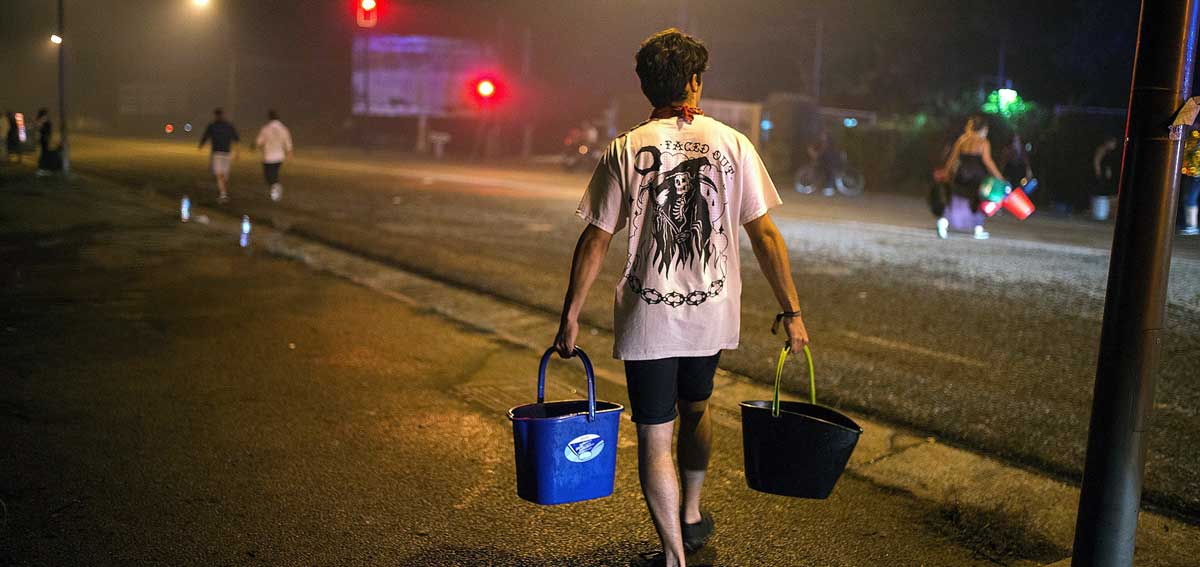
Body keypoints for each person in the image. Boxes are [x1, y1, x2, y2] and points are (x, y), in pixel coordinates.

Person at [552, 28, 810, 567]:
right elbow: (764, 235)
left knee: (655, 433)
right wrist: (792, 313)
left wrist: (570, 317)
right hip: (711, 316)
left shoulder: (624, 148)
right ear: (694, 82)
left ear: (647, 85)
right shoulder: (731, 142)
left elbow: (596, 237)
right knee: (697, 406)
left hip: (649, 319)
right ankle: (691, 513)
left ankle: (674, 554)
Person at [938, 115, 1006, 239]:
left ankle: (943, 223)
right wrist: (999, 177)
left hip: (961, 175)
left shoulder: (962, 139)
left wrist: (946, 173)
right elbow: (988, 161)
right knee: (978, 201)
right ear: (983, 129)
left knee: (954, 199)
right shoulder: (983, 142)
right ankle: (978, 229)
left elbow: (952, 158)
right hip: (977, 176)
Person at [198, 107, 240, 204]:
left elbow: (205, 136)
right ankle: (223, 193)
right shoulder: (229, 125)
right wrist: (237, 153)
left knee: (220, 176)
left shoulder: (212, 126)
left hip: (217, 153)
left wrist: (201, 145)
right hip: (226, 153)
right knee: (222, 175)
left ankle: (223, 192)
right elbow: (236, 139)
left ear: (215, 115)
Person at [254, 109, 293, 202]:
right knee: (274, 173)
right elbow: (288, 142)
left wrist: (254, 146)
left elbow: (259, 141)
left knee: (268, 176)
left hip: (268, 156)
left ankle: (276, 189)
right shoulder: (284, 128)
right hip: (279, 156)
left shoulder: (266, 128)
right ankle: (275, 190)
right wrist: (290, 153)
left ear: (269, 117)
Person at [1091, 137, 1120, 221]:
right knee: (1100, 189)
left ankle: (1102, 212)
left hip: (1104, 172)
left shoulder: (1109, 152)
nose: (1114, 146)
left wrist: (1108, 170)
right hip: (1100, 173)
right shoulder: (1102, 149)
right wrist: (1098, 171)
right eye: (1113, 143)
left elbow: (1107, 163)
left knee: (1104, 190)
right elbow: (1096, 160)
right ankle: (1098, 211)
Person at [1180, 131, 1200, 236]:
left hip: (1195, 174)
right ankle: (1191, 225)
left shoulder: (1195, 138)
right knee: (1189, 198)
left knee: (1190, 199)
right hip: (1192, 173)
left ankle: (1192, 226)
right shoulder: (1194, 138)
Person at [35, 108, 53, 175]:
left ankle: (44, 168)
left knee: (45, 154)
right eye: (46, 114)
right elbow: (41, 130)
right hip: (43, 140)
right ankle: (41, 169)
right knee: (44, 154)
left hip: (45, 139)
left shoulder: (43, 121)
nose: (47, 116)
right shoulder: (41, 122)